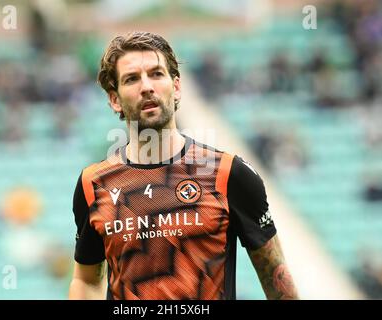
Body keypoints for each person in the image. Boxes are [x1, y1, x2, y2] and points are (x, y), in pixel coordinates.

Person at [68, 31, 298, 300]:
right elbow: (87, 282)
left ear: (176, 86)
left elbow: (276, 279)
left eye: (156, 74)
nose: (146, 87)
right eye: (132, 79)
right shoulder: (92, 185)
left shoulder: (228, 174)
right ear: (114, 99)